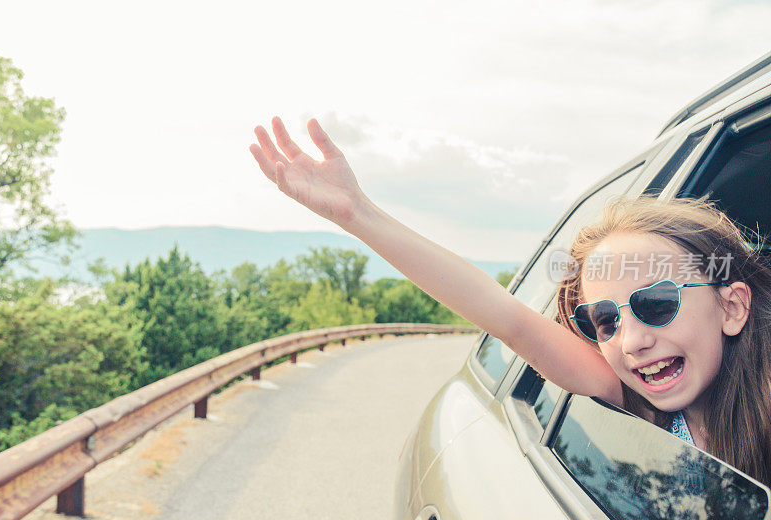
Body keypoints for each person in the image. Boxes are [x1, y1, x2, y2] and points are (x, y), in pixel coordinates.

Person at [249, 116, 771, 485]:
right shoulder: (628, 399)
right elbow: (506, 317)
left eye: (657, 304)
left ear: (732, 307)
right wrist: (356, 215)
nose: (631, 340)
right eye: (604, 321)